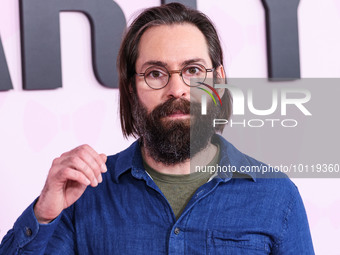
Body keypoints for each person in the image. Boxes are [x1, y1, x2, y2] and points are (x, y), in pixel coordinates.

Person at [0, 3, 314, 254]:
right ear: (131, 87)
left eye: (193, 70)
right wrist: (44, 214)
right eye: (155, 73)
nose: (177, 89)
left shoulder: (276, 195)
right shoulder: (84, 193)